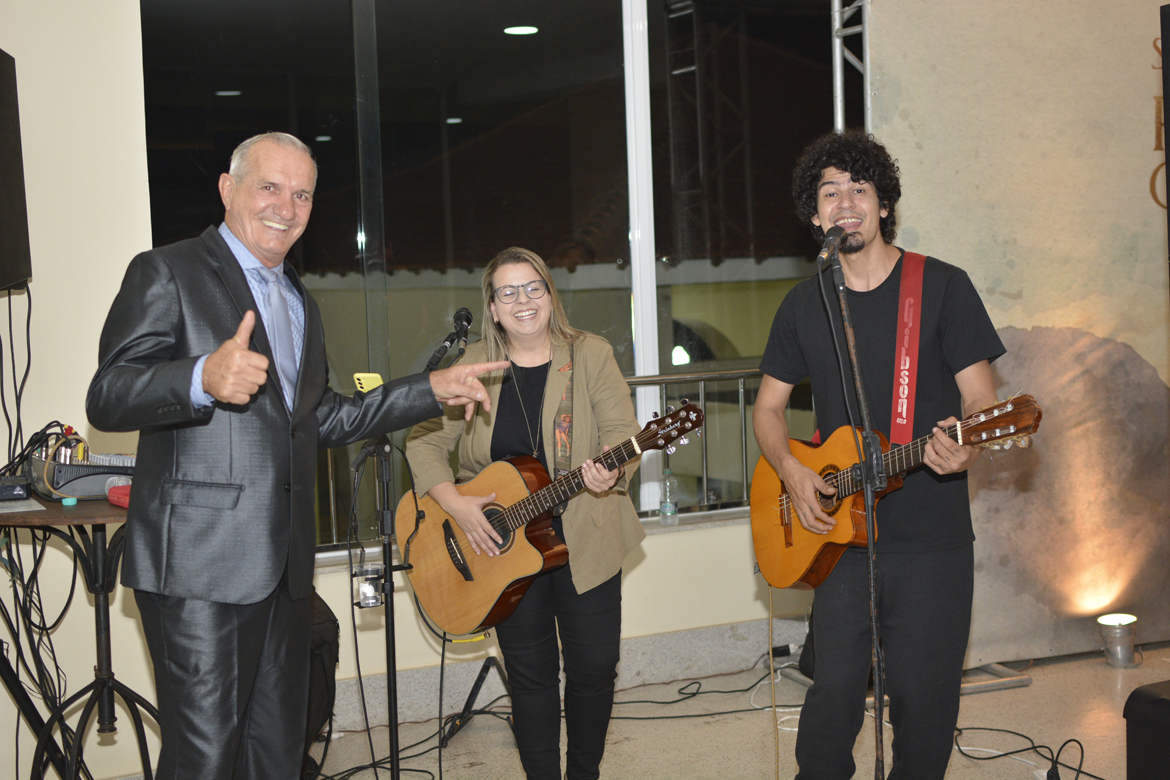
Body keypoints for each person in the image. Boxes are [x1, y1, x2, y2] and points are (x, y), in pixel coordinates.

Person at [85, 132, 507, 780]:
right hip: (198, 570)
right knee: (205, 762)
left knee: (278, 757)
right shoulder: (167, 271)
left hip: (284, 573)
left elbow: (323, 416)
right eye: (269, 187)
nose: (286, 207)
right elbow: (108, 395)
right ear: (228, 189)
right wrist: (200, 377)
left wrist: (428, 391)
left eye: (303, 194)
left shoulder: (298, 299)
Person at [752, 130, 1005, 779]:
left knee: (923, 707)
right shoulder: (804, 304)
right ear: (815, 216)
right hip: (840, 539)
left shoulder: (942, 287)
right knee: (833, 695)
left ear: (883, 204)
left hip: (931, 539)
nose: (845, 203)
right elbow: (767, 409)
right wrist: (791, 470)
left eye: (858, 189)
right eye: (829, 193)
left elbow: (983, 400)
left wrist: (968, 444)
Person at [405, 247, 644, 780]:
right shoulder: (473, 366)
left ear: (550, 295)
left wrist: (611, 471)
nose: (523, 300)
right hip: (500, 548)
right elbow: (423, 442)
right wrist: (454, 502)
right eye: (508, 292)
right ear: (492, 308)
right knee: (531, 677)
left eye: (533, 287)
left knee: (594, 669)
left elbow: (621, 434)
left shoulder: (590, 354)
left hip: (585, 532)